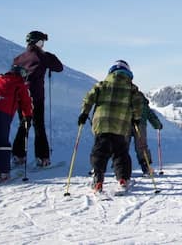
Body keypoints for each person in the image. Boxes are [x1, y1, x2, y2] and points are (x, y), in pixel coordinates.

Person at [79, 60, 144, 193]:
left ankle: (98, 179)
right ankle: (123, 179)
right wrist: (136, 119)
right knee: (120, 153)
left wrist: (84, 113)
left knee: (100, 151)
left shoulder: (102, 85)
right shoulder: (131, 88)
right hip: (120, 125)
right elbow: (138, 104)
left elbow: (89, 98)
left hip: (101, 124)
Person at [11, 30, 64, 168]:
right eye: (42, 42)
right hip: (35, 96)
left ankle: (18, 155)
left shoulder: (18, 59)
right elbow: (59, 67)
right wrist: (48, 55)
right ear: (37, 42)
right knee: (39, 126)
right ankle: (42, 158)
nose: (43, 45)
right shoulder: (42, 56)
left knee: (24, 124)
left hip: (19, 96)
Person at [129, 84, 163, 176]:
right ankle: (146, 168)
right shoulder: (140, 97)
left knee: (122, 146)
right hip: (140, 123)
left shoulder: (122, 94)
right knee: (142, 147)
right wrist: (157, 125)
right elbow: (149, 113)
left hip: (125, 123)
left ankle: (120, 170)